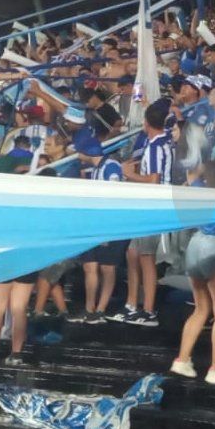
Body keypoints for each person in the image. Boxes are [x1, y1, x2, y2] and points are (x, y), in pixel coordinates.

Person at [169, 156, 215, 388]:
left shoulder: (200, 188)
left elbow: (192, 177)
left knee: (201, 308)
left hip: (195, 245)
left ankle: (182, 359)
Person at [114, 101, 172, 327]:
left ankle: (148, 310)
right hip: (149, 206)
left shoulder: (157, 146)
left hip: (155, 207)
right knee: (132, 252)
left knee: (146, 258)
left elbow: (154, 180)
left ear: (146, 122)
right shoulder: (161, 141)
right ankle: (132, 305)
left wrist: (130, 174)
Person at [73, 132, 127, 323]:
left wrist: (107, 229)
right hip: (96, 226)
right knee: (91, 267)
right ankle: (90, 309)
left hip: (111, 228)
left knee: (107, 268)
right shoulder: (95, 169)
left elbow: (114, 195)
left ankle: (100, 310)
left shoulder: (111, 166)